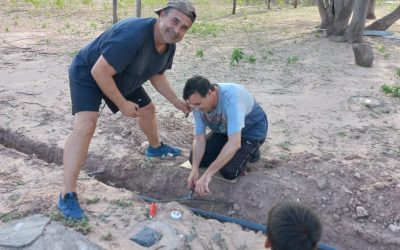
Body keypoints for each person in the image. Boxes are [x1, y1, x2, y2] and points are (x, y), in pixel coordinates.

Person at [58, 0, 196, 220]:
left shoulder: (169, 46)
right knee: (86, 127)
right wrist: (122, 103)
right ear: (161, 15)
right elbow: (99, 72)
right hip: (89, 73)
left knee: (148, 110)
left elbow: (156, 73)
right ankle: (67, 194)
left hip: (122, 74)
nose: (177, 30)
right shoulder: (131, 36)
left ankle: (155, 147)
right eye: (174, 21)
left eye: (184, 28)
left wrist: (177, 102)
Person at [183, 75, 268, 196]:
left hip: (251, 132)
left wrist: (207, 175)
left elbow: (234, 142)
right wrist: (195, 169)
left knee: (229, 171)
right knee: (194, 159)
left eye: (198, 104)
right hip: (224, 131)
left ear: (210, 92)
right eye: (193, 106)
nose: (196, 109)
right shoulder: (197, 105)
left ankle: (253, 152)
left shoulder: (232, 99)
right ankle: (227, 153)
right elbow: (199, 138)